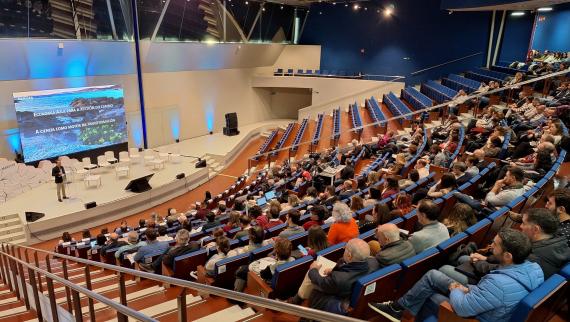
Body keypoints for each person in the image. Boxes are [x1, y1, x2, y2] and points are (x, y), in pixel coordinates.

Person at [368, 229, 543, 322]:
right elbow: (492, 293)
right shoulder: (534, 268)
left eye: (495, 245)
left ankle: (399, 309)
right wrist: (468, 289)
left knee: (433, 296)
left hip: (478, 315)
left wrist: (455, 288)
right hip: (486, 299)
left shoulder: (498, 283)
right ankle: (398, 308)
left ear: (508, 256)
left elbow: (462, 308)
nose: (491, 246)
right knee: (433, 275)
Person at [308, 239, 380, 315]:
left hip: (335, 299)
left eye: (345, 248)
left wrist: (313, 270)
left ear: (349, 256)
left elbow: (322, 282)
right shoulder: (374, 263)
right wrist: (335, 270)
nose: (343, 248)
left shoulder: (339, 279)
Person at [453, 166, 526, 212]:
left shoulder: (511, 194)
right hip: (494, 207)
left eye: (506, 176)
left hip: (488, 210)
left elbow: (487, 201)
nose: (504, 178)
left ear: (513, 178)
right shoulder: (521, 188)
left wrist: (496, 186)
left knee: (457, 195)